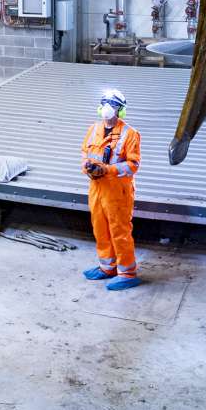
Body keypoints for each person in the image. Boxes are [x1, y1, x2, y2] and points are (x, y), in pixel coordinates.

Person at [81, 88, 144, 290]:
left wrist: (107, 170)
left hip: (118, 192)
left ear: (121, 110)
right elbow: (85, 155)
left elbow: (133, 165)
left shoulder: (130, 134)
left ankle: (127, 272)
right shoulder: (93, 129)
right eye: (106, 103)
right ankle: (107, 267)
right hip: (97, 188)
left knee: (119, 230)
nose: (109, 108)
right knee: (100, 228)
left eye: (114, 105)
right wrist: (89, 169)